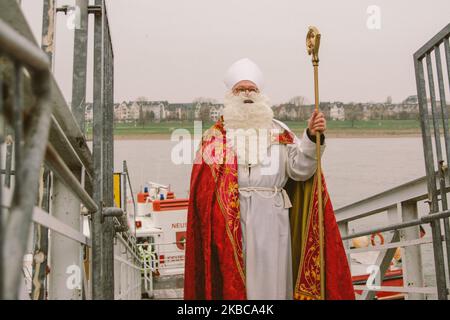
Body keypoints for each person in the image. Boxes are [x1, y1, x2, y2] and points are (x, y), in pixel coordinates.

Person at [184, 58, 354, 300]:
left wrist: (311, 136)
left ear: (260, 94)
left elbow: (300, 170)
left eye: (252, 89)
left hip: (274, 218)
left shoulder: (280, 132)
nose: (247, 94)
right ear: (230, 95)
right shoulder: (214, 138)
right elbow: (203, 192)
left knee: (275, 278)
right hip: (233, 222)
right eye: (240, 89)